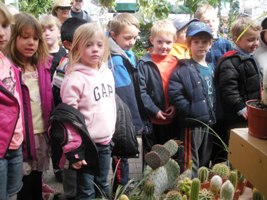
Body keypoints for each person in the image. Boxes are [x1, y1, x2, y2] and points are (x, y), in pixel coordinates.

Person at [60, 22, 116, 200]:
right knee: (86, 190)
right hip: (85, 146)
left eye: (99, 45)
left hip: (105, 143)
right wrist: (74, 150)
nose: (95, 50)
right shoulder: (74, 79)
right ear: (77, 48)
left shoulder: (107, 73)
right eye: (88, 45)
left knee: (103, 184)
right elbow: (68, 119)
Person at [6, 12, 53, 200]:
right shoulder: (9, 68)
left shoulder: (42, 67)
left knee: (37, 180)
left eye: (35, 38)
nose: (31, 43)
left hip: (41, 134)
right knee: (23, 185)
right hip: (21, 139)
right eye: (25, 37)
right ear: (13, 36)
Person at [107, 13, 150, 191]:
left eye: (134, 37)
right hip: (121, 117)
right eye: (127, 37)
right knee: (120, 154)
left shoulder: (127, 53)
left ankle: (123, 185)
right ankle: (120, 188)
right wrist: (136, 122)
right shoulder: (116, 60)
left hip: (125, 114)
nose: (132, 41)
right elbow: (125, 94)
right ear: (113, 35)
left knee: (123, 154)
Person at [169, 21, 216, 178]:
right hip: (192, 123)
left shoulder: (211, 67)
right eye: (196, 42)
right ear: (189, 44)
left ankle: (201, 187)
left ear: (210, 44)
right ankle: (188, 189)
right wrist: (190, 110)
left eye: (204, 42)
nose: (201, 46)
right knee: (190, 160)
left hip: (209, 122)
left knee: (205, 157)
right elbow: (175, 93)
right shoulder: (183, 68)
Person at [51, 17, 87, 200]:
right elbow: (58, 96)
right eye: (84, 41)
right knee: (71, 167)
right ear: (68, 44)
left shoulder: (87, 64)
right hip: (70, 128)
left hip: (85, 126)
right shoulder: (65, 66)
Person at [216, 16, 262, 157]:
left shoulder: (249, 57)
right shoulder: (231, 61)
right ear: (236, 39)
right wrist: (240, 107)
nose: (256, 43)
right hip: (237, 115)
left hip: (251, 112)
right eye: (250, 40)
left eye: (257, 39)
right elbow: (229, 89)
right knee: (236, 147)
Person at [194, 3, 233, 164]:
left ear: (217, 21)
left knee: (220, 144)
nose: (210, 24)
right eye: (205, 21)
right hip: (204, 103)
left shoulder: (224, 44)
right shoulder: (196, 44)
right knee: (204, 146)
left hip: (221, 100)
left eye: (212, 20)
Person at [137, 19, 178, 145]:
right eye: (159, 42)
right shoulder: (144, 64)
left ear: (174, 41)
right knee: (153, 158)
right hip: (152, 121)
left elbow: (180, 89)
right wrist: (154, 110)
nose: (164, 46)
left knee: (172, 157)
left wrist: (176, 105)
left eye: (168, 42)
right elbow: (141, 92)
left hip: (173, 119)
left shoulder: (176, 62)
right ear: (151, 40)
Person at [0, 3, 24, 200]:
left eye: (5, 25)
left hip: (15, 143)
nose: (1, 33)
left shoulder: (6, 60)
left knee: (12, 193)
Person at [40, 14, 67, 81]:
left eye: (51, 30)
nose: (47, 33)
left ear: (59, 31)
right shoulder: (38, 55)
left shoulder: (65, 53)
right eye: (43, 31)